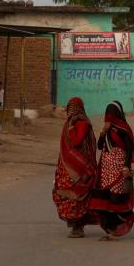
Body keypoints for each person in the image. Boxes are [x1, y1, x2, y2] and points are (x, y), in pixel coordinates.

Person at [88, 101, 134, 240]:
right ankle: (111, 230)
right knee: (104, 201)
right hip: (106, 170)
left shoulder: (123, 129)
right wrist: (102, 132)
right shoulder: (108, 130)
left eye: (110, 114)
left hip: (119, 170)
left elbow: (128, 150)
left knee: (117, 200)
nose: (108, 117)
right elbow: (101, 146)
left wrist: (126, 167)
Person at [51, 97, 98, 238]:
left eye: (73, 108)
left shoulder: (82, 123)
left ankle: (78, 227)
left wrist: (72, 126)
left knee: (79, 196)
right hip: (67, 166)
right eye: (69, 108)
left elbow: (76, 142)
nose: (70, 111)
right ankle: (74, 225)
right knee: (66, 195)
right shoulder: (68, 123)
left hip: (81, 167)